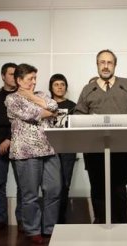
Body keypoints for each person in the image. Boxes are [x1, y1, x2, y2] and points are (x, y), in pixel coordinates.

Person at [74, 49, 127, 223]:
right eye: (102, 62)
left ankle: (120, 222)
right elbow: (78, 114)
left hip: (120, 146)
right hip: (93, 148)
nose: (105, 66)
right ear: (97, 64)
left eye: (109, 62)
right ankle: (99, 221)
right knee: (97, 187)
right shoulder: (88, 88)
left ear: (115, 65)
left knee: (119, 187)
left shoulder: (126, 85)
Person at [5, 63, 62, 244]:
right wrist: (47, 111)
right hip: (26, 152)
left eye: (35, 78)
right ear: (19, 80)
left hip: (48, 149)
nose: (34, 82)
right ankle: (32, 230)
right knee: (30, 194)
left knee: (54, 188)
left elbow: (55, 106)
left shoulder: (41, 95)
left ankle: (50, 227)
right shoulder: (11, 99)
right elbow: (35, 114)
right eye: (30, 79)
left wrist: (34, 98)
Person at [0, 63, 23, 234]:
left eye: (16, 74)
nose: (14, 77)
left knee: (23, 185)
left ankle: (22, 220)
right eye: (10, 74)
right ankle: (0, 219)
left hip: (19, 145)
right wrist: (10, 120)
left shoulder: (23, 95)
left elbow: (21, 121)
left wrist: (9, 138)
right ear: (3, 76)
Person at [49, 73, 76, 224]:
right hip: (49, 150)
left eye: (62, 84)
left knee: (65, 185)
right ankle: (50, 219)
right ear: (51, 87)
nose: (60, 87)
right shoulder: (45, 104)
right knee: (51, 186)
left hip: (68, 150)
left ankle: (61, 219)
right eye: (56, 84)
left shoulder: (73, 106)